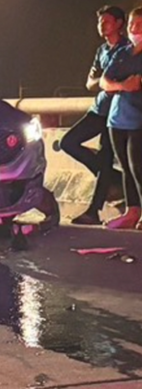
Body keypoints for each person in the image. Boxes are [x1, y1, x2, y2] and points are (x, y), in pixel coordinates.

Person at [60, 6, 131, 225]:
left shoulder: (128, 50)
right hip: (98, 110)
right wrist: (106, 83)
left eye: (106, 21)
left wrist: (110, 83)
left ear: (119, 23)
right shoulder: (102, 50)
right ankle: (115, 180)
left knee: (106, 156)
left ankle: (93, 211)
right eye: (100, 22)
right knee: (68, 142)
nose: (101, 25)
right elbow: (90, 82)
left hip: (117, 113)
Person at [101, 8, 142, 229]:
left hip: (138, 119)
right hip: (117, 119)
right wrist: (123, 85)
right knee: (126, 167)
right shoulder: (123, 52)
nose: (134, 29)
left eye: (140, 25)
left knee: (138, 167)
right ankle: (132, 211)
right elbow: (105, 81)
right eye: (132, 24)